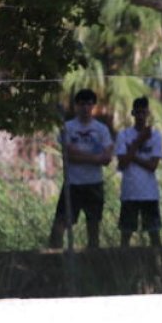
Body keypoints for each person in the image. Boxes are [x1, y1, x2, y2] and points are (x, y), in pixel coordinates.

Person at [48, 89, 114, 249]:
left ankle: (92, 260)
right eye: (82, 104)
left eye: (89, 104)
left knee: (93, 225)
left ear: (93, 106)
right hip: (73, 184)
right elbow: (68, 154)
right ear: (76, 106)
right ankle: (55, 259)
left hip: (94, 184)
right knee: (60, 223)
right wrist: (94, 157)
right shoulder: (68, 127)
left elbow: (106, 158)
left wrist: (82, 157)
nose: (85, 107)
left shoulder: (101, 129)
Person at [115, 97, 162, 247]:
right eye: (138, 112)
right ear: (133, 113)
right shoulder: (123, 135)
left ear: (148, 113)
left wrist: (131, 155)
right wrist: (139, 140)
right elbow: (122, 164)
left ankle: (158, 266)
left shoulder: (156, 136)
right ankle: (123, 266)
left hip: (149, 193)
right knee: (126, 234)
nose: (141, 116)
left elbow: (152, 166)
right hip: (130, 192)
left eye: (144, 112)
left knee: (154, 234)